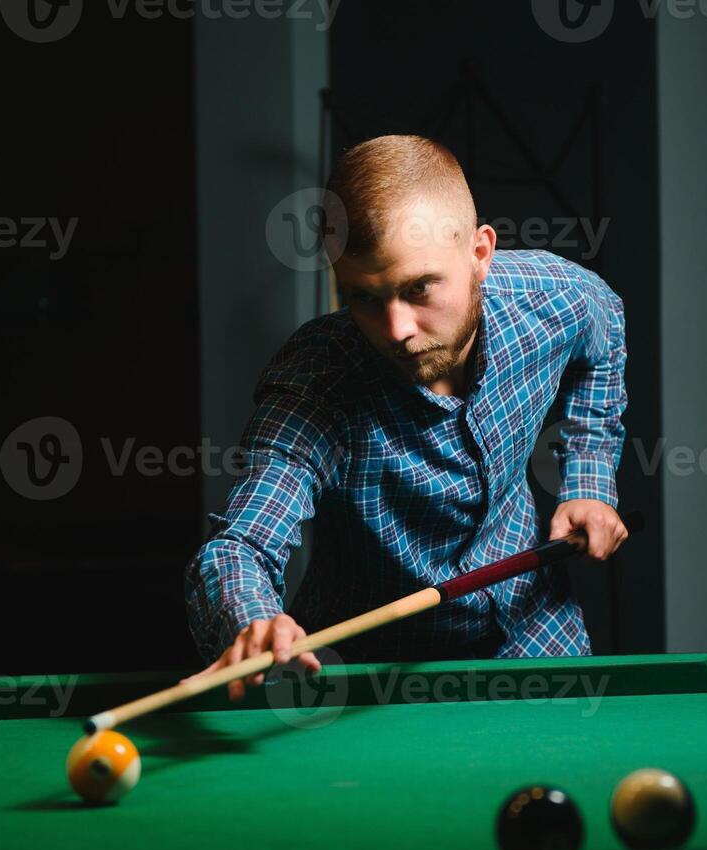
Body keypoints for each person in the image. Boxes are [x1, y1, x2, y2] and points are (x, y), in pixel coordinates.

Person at [183, 135, 628, 700]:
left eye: (419, 288)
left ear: (480, 253)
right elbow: (239, 544)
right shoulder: (319, 380)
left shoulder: (555, 298)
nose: (395, 329)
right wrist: (251, 620)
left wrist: (589, 482)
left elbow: (604, 325)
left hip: (538, 639)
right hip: (374, 682)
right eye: (363, 297)